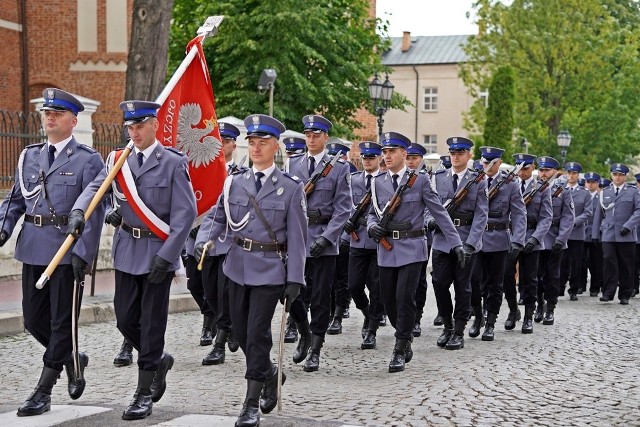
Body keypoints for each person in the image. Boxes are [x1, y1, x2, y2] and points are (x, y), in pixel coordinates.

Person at [68, 100, 197, 420]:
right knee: (125, 319)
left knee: (152, 324)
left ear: (154, 124)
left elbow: (186, 214)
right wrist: (78, 211)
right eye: (130, 127)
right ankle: (158, 360)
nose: (134, 132)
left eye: (140, 125)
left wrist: (167, 257)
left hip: (157, 252)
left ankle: (143, 391)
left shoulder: (171, 162)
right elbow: (96, 188)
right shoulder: (118, 159)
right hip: (127, 250)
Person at [194, 114, 307, 427]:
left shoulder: (290, 187)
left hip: (270, 270)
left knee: (257, 333)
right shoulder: (235, 181)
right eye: (252, 142)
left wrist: (295, 277)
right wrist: (204, 241)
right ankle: (270, 373)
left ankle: (250, 402)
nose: (256, 148)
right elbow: (218, 218)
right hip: (236, 266)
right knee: (241, 333)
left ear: (275, 147)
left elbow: (298, 238)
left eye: (263, 143)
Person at [0, 88, 105, 417]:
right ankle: (73, 356)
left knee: (62, 324)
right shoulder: (29, 155)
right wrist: (3, 229)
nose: (49, 118)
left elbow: (94, 209)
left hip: (66, 250)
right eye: (47, 113)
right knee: (32, 320)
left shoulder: (88, 159)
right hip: (33, 246)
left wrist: (83, 253)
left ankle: (43, 390)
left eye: (57, 114)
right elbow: (16, 200)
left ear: (74, 121)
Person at [369, 132, 466, 372]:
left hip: (412, 248)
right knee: (388, 301)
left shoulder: (419, 180)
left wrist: (456, 243)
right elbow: (372, 213)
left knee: (404, 298)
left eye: (392, 151)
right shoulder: (377, 181)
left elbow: (439, 212)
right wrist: (372, 226)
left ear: (404, 153)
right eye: (385, 152)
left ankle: (400, 347)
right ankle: (403, 334)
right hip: (386, 249)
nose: (387, 156)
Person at [286, 114, 351, 373]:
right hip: (298, 238)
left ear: (325, 137)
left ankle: (315, 347)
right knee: (292, 292)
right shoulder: (293, 165)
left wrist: (326, 238)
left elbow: (343, 208)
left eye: (316, 135)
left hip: (324, 239)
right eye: (308, 135)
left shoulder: (339, 168)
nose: (311, 139)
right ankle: (303, 330)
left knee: (322, 297)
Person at [429, 136, 488, 350]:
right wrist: (429, 220)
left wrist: (472, 244)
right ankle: (447, 324)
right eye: (453, 153)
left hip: (465, 239)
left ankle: (459, 330)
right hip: (442, 240)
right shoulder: (439, 176)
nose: (455, 157)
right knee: (439, 283)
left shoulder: (478, 180)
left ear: (468, 155)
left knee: (463, 287)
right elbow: (430, 204)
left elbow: (481, 215)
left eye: (460, 153)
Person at [469, 147, 526, 340]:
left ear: (499, 163)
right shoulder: (474, 181)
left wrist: (518, 240)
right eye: (485, 162)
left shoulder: (510, 184)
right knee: (473, 281)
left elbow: (519, 213)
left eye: (491, 162)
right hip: (476, 239)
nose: (487, 166)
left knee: (495, 284)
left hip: (499, 239)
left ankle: (490, 322)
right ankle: (478, 316)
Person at [200, 121, 243, 365]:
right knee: (207, 290)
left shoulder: (239, 173)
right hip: (206, 240)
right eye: (219, 140)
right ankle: (231, 325)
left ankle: (220, 342)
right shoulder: (204, 168)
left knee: (224, 292)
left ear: (233, 145)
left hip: (229, 240)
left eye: (226, 141)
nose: (222, 145)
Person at [502, 154, 552, 331]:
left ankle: (529, 315)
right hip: (511, 236)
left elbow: (546, 217)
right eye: (519, 168)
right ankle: (513, 309)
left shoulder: (542, 188)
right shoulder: (507, 186)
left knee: (530, 279)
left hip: (531, 236)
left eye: (525, 168)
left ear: (532, 168)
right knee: (507, 276)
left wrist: (536, 238)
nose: (521, 172)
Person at [342, 141, 384, 349]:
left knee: (377, 287)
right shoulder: (353, 180)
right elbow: (344, 205)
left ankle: (372, 329)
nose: (367, 161)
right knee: (355, 285)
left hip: (378, 242)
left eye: (372, 158)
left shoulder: (385, 181)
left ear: (379, 159)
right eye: (365, 158)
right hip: (357, 239)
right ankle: (367, 313)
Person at [592, 163, 640, 305]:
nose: (617, 177)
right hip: (608, 234)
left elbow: (638, 210)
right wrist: (595, 234)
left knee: (626, 265)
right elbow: (598, 215)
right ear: (611, 175)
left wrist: (629, 225)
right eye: (615, 174)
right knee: (608, 261)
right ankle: (608, 292)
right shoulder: (605, 192)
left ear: (625, 176)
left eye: (620, 175)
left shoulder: (633, 192)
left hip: (627, 235)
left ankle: (625, 294)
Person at [535, 157, 574, 325]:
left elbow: (568, 216)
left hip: (554, 238)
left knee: (552, 275)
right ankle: (538, 305)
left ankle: (550, 307)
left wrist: (562, 238)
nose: (543, 174)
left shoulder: (563, 189)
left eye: (547, 170)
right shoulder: (533, 187)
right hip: (537, 238)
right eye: (541, 170)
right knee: (535, 275)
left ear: (554, 171)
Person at [326, 141, 354, 333]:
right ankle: (330, 312)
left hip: (345, 233)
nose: (338, 158)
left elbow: (346, 206)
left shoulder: (348, 170)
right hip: (324, 231)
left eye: (340, 155)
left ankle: (339, 311)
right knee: (328, 279)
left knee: (342, 277)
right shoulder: (324, 171)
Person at [281, 136, 307, 342]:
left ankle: (309, 335)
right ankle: (294, 323)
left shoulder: (339, 168)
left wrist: (328, 238)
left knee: (311, 290)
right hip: (284, 240)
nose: (290, 156)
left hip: (317, 237)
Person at [404, 142, 430, 337]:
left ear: (421, 160)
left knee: (419, 280)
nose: (411, 162)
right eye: (408, 158)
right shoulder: (401, 178)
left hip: (422, 235)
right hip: (401, 237)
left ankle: (417, 317)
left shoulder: (426, 179)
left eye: (414, 158)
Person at [560, 162, 593, 300]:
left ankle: (573, 290)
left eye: (574, 173)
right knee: (561, 262)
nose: (571, 175)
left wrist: (573, 222)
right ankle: (559, 288)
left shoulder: (584, 193)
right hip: (561, 233)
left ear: (578, 175)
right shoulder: (560, 190)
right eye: (569, 173)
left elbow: (588, 212)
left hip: (577, 233)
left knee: (576, 263)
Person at [581, 172, 603, 297]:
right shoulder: (581, 195)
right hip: (582, 233)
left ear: (597, 183)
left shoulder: (601, 197)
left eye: (593, 182)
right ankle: (580, 285)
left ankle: (595, 287)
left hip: (596, 234)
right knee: (580, 262)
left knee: (596, 263)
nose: (590, 184)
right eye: (588, 182)